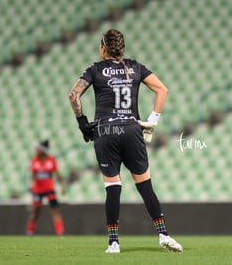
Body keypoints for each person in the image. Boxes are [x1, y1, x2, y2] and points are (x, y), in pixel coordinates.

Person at [68, 29, 183, 253]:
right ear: (122, 48)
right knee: (145, 185)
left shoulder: (96, 69)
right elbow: (162, 89)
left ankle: (113, 242)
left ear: (103, 48)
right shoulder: (135, 67)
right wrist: (152, 120)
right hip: (131, 129)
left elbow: (73, 94)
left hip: (106, 130)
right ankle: (163, 235)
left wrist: (82, 122)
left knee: (113, 186)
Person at [26, 140, 65, 236]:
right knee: (35, 212)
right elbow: (33, 175)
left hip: (49, 189)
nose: (36, 151)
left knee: (55, 211)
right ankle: (30, 231)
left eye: (38, 149)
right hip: (37, 190)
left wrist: (62, 186)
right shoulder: (34, 160)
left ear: (43, 150)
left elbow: (57, 173)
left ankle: (60, 232)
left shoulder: (51, 159)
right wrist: (32, 185)